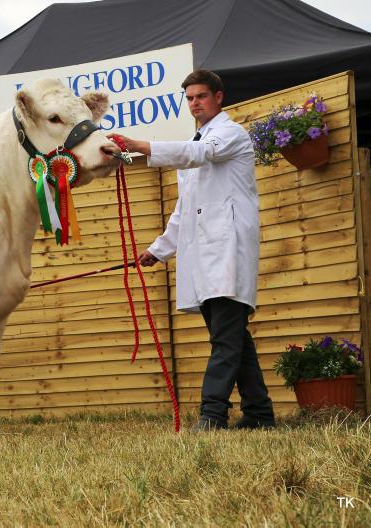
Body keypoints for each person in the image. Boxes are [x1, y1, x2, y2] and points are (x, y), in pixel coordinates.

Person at [109, 69, 275, 431]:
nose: (194, 103)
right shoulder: (196, 142)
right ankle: (260, 415)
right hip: (206, 256)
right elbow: (185, 209)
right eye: (189, 98)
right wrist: (158, 250)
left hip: (228, 251)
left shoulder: (228, 134)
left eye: (200, 96)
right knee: (233, 339)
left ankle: (212, 415)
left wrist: (142, 146)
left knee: (226, 341)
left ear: (218, 97)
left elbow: (201, 153)